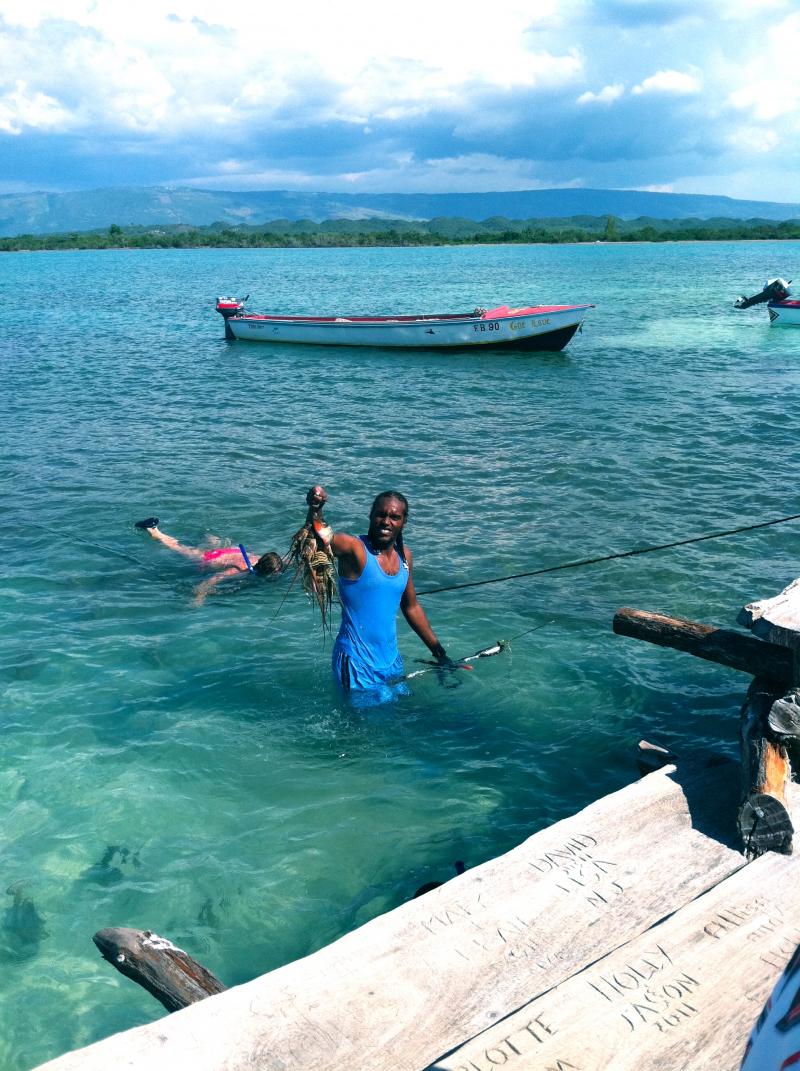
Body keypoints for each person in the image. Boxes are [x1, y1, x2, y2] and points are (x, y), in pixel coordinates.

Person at [302, 485, 458, 698]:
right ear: (371, 516)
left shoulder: (405, 557)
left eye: (394, 517)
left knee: (399, 719)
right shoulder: (355, 549)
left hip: (391, 661)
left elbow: (411, 607)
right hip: (356, 663)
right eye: (381, 514)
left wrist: (440, 653)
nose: (386, 521)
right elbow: (321, 537)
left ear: (404, 522)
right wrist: (316, 508)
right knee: (363, 727)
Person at [134, 517, 283, 605]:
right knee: (176, 546)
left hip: (228, 551)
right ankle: (153, 530)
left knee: (212, 539)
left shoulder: (258, 558)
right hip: (208, 558)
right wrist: (200, 597)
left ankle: (204, 535)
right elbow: (214, 579)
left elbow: (281, 561)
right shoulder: (240, 570)